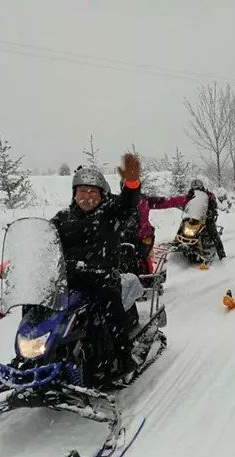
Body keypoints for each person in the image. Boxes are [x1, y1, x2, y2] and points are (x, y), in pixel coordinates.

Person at [50, 153, 142, 378]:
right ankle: (32, 355)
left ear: (102, 195)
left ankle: (123, 357)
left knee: (111, 308)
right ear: (75, 194)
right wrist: (15, 261)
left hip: (102, 279)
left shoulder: (110, 213)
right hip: (69, 279)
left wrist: (131, 183)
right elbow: (43, 242)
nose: (88, 197)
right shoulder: (62, 219)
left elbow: (128, 202)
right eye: (82, 191)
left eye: (93, 192)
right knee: (38, 309)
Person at [186, 178, 226, 260]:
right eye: (194, 187)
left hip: (206, 217)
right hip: (194, 216)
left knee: (213, 233)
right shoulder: (190, 195)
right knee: (184, 229)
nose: (196, 189)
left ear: (201, 187)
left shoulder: (208, 194)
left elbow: (213, 204)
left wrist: (211, 211)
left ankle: (222, 255)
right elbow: (186, 203)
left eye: (197, 187)